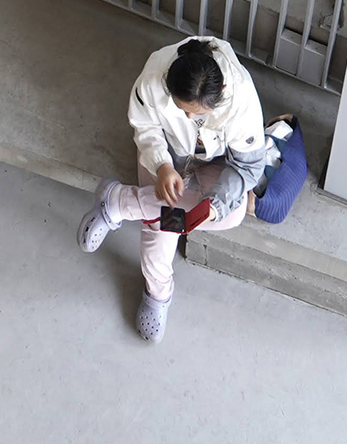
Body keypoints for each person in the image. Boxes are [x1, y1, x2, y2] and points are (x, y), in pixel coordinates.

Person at [74, 35, 270, 342]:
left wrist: (216, 204)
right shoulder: (154, 77)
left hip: (216, 164)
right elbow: (145, 127)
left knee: (230, 215)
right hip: (167, 156)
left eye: (198, 114)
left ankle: (119, 201)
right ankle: (157, 293)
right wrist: (162, 165)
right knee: (161, 222)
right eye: (183, 110)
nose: (190, 118)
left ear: (220, 92)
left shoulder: (241, 98)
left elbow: (248, 167)